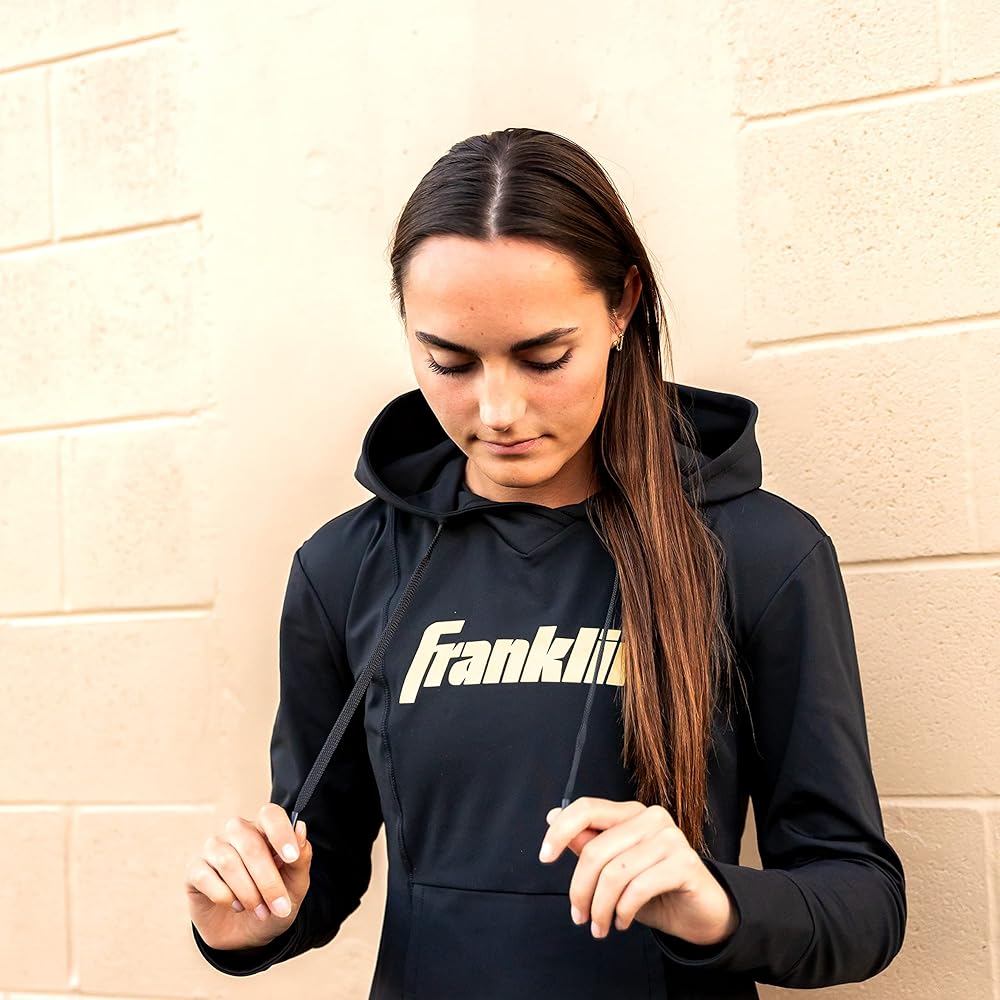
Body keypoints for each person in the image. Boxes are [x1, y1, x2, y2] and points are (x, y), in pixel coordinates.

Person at [184, 127, 907, 999]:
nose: (498, 409)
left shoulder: (761, 554)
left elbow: (862, 901)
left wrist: (716, 904)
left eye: (543, 357)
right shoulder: (343, 568)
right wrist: (250, 916)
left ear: (622, 305)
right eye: (449, 361)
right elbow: (318, 862)